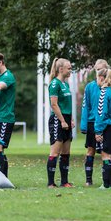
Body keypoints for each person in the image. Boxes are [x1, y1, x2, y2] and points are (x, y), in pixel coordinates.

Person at [80, 59, 111, 186]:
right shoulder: (89, 87)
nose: (98, 71)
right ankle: (89, 180)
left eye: (101, 69)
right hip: (92, 123)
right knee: (91, 151)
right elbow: (85, 106)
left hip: (106, 125)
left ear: (106, 71)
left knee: (107, 153)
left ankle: (107, 183)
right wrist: (84, 125)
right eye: (97, 69)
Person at [46, 58, 75, 188]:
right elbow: (54, 104)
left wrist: (71, 119)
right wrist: (62, 120)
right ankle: (51, 183)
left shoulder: (66, 84)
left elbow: (67, 104)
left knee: (66, 152)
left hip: (67, 119)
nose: (70, 70)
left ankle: (65, 182)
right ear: (61, 69)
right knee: (55, 152)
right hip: (58, 120)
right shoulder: (54, 84)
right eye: (69, 68)